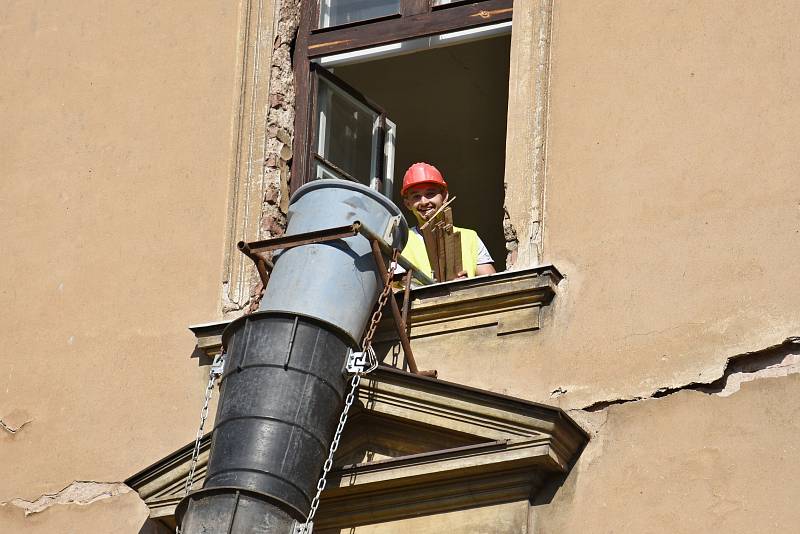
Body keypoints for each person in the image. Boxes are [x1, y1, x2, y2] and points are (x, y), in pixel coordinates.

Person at [399, 162, 496, 281]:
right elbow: (395, 289)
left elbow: (493, 284)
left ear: (444, 196)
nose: (423, 202)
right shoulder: (402, 240)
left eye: (430, 194)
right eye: (416, 196)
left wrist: (468, 284)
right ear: (408, 204)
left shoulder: (470, 238)